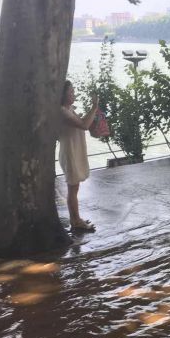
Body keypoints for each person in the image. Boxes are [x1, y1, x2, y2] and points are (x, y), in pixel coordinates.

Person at [59, 80, 98, 231]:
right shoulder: (62, 111)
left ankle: (76, 218)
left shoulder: (69, 109)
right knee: (72, 188)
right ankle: (75, 221)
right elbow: (84, 125)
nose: (73, 95)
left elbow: (83, 123)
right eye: (70, 92)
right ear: (63, 95)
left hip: (74, 150)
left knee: (74, 188)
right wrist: (94, 107)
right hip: (69, 153)